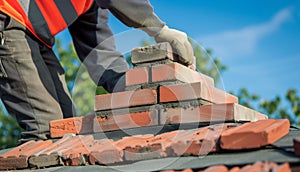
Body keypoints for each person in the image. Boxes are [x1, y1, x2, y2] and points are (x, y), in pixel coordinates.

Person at [0, 0, 194, 143]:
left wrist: (138, 93)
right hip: (6, 17)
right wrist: (159, 29)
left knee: (65, 127)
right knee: (44, 128)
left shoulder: (91, 6)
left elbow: (100, 53)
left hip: (35, 35)